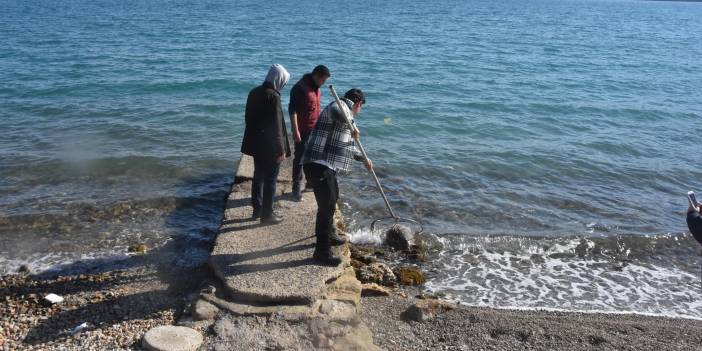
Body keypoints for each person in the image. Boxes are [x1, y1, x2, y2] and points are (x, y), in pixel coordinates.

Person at [302, 88, 373, 265]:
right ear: (358, 104)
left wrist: (363, 158)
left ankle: (331, 235)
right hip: (317, 164)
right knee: (326, 209)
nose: (359, 111)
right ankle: (322, 253)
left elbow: (345, 145)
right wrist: (352, 124)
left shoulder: (346, 115)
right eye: (360, 108)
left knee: (332, 200)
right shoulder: (340, 106)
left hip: (325, 165)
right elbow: (337, 111)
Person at [241, 64, 291, 224]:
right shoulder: (273, 96)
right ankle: (267, 215)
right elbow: (276, 125)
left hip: (256, 143)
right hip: (270, 146)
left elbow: (248, 118)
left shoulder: (254, 92)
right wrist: (281, 149)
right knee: (270, 179)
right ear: (279, 79)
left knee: (258, 176)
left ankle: (257, 209)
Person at [289, 65, 331, 201]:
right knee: (300, 158)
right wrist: (295, 130)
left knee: (313, 157)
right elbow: (292, 110)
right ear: (316, 76)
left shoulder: (315, 87)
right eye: (323, 80)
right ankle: (296, 188)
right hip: (302, 129)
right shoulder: (299, 88)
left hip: (315, 128)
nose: (324, 84)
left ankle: (309, 183)